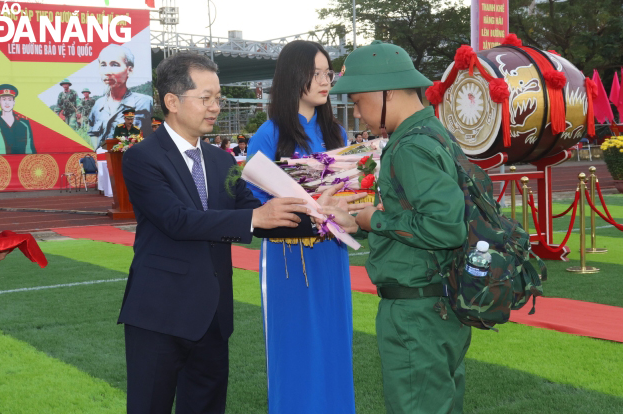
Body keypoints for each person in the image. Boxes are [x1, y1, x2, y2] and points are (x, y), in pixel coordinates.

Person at [118, 52, 315, 414]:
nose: (215, 107)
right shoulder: (143, 157)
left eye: (218, 98)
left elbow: (252, 214)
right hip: (159, 316)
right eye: (206, 98)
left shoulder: (222, 160)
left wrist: (320, 216)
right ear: (172, 102)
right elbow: (178, 220)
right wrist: (257, 217)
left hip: (212, 318)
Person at [328, 40, 472, 414]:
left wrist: (372, 218)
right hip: (438, 301)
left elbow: (445, 226)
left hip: (416, 310)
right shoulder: (431, 132)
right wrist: (360, 222)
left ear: (386, 91)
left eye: (358, 101)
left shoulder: (410, 145)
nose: (357, 113)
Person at [246, 39, 361, 414]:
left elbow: (352, 196)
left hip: (331, 254)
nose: (325, 81)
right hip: (287, 261)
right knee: (293, 346)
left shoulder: (338, 135)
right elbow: (257, 203)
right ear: (293, 77)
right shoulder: (267, 135)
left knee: (333, 340)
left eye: (327, 73)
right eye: (316, 74)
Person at [88, 44, 153, 149]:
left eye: (114, 64)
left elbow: (152, 135)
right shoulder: (98, 105)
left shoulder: (145, 103)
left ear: (129, 70)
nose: (107, 72)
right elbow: (93, 133)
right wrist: (98, 153)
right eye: (103, 65)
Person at [0, 85, 36, 154]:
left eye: (10, 99)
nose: (7, 103)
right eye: (4, 99)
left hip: (20, 162)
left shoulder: (24, 123)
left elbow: (30, 149)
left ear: (14, 102)